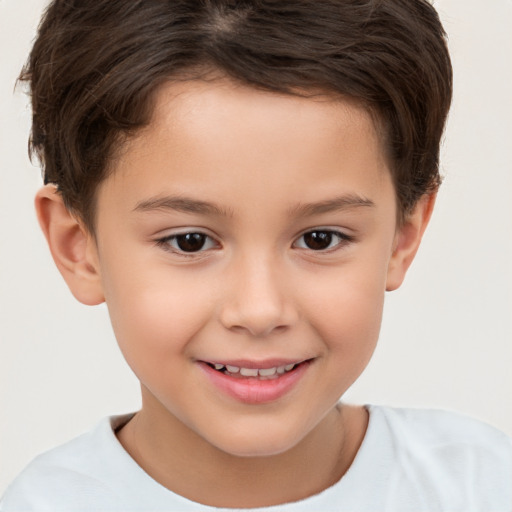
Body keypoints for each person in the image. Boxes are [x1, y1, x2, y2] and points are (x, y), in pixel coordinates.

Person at [1, 0, 511, 510]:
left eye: (320, 239)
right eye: (190, 241)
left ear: (403, 235)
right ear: (78, 246)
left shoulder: (481, 487)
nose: (260, 310)